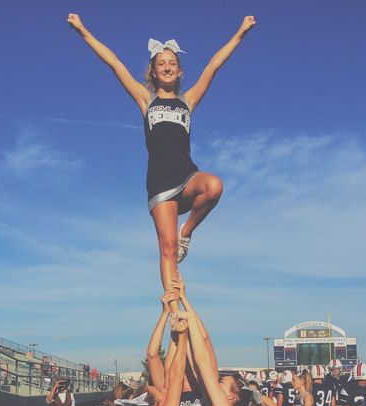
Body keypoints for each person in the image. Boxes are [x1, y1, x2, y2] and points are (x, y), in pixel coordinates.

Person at [67, 13, 256, 292]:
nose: (167, 67)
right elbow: (114, 62)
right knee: (167, 250)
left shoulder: (188, 101)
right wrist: (82, 30)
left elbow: (214, 64)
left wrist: (241, 32)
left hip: (187, 175)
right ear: (153, 71)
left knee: (213, 186)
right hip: (159, 183)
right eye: (161, 64)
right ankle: (172, 305)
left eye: (172, 63)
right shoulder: (146, 100)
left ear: (179, 71)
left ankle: (187, 232)